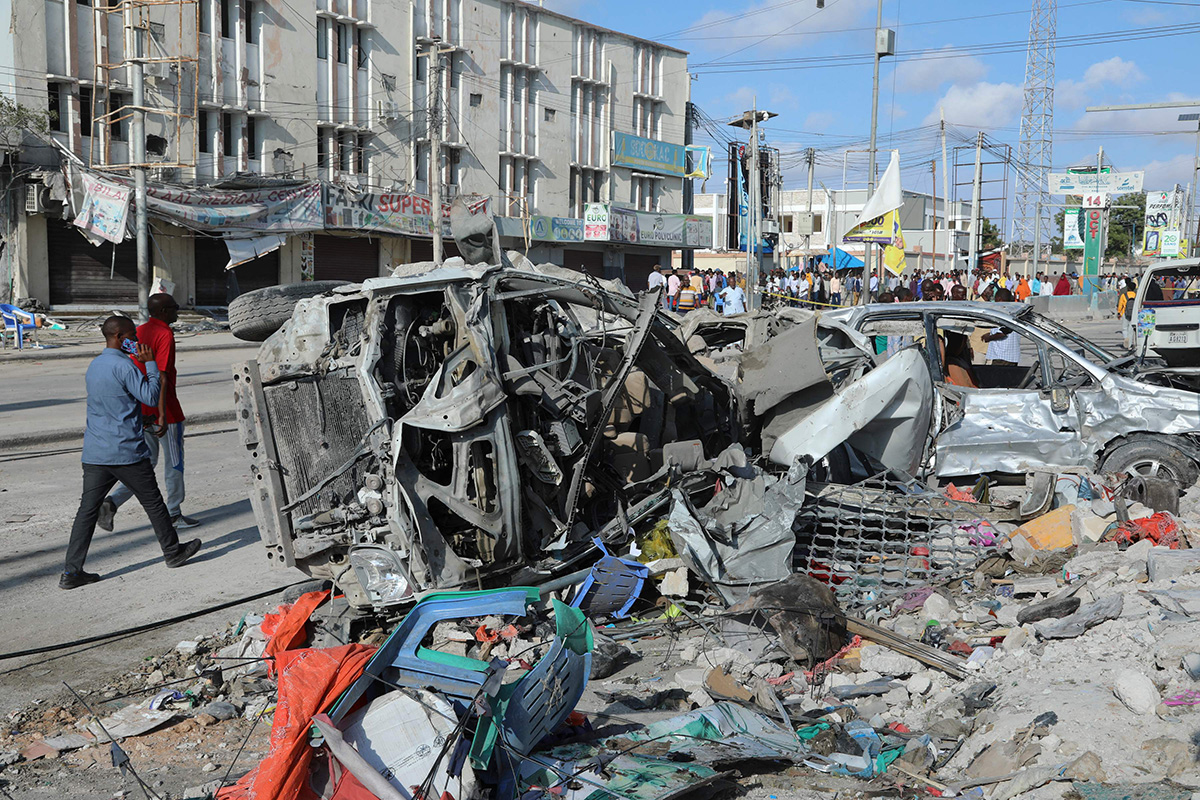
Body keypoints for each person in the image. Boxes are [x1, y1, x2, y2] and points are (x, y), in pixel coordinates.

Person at [62, 316, 202, 589]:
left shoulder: (95, 366)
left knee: (86, 512)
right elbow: (150, 396)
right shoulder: (125, 366)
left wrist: (143, 421)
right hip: (125, 451)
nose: (137, 341)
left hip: (95, 453)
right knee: (154, 504)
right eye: (132, 336)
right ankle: (173, 553)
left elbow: (115, 407)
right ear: (119, 337)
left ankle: (71, 572)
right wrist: (149, 362)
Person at [99, 294, 200, 531]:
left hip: (140, 406)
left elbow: (126, 363)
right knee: (174, 462)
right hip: (165, 409)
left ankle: (112, 502)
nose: (178, 312)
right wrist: (163, 414)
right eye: (175, 308)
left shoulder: (137, 331)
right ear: (164, 311)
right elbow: (162, 375)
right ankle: (174, 513)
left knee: (147, 462)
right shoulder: (164, 333)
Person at [983, 288, 1021, 366]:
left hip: (1002, 356)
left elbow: (1003, 333)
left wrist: (989, 338)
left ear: (999, 299)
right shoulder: (1015, 311)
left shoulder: (1003, 312)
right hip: (1012, 356)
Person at [1118, 278, 1138, 349]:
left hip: (1125, 313)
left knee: (1124, 328)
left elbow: (1120, 304)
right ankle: (1130, 344)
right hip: (1134, 313)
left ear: (1128, 288)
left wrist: (1118, 312)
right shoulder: (1136, 295)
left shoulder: (1124, 295)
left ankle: (1126, 340)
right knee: (1131, 329)